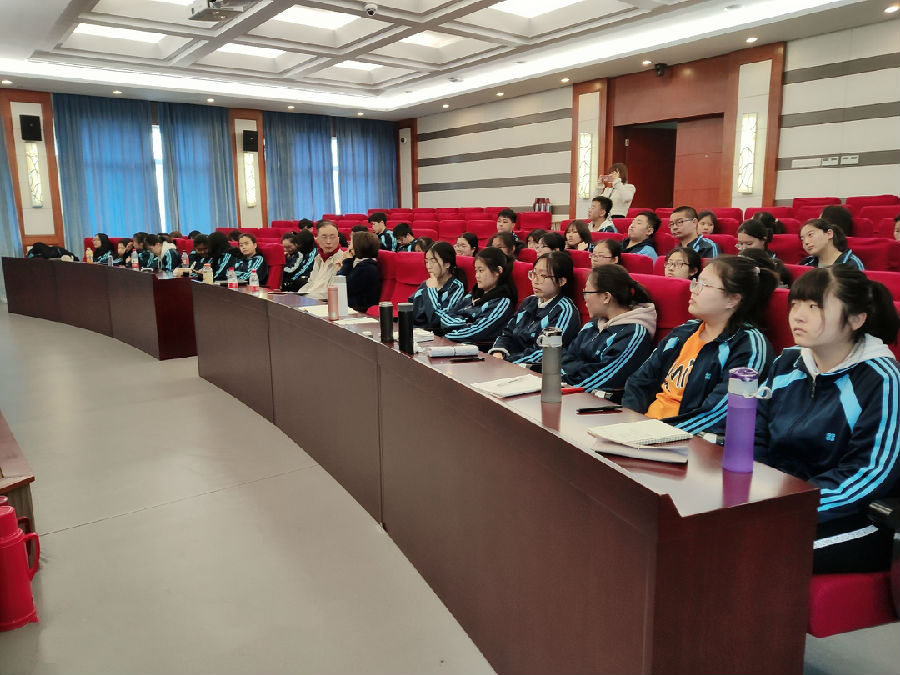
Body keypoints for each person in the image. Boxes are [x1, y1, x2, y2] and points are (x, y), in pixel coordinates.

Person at [754, 266, 900, 574]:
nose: (798, 316)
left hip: (853, 514)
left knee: (747, 549)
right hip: (779, 500)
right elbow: (755, 435)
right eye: (796, 304)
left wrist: (786, 506)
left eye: (815, 306)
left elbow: (869, 474)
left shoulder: (881, 380)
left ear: (856, 319)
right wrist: (749, 494)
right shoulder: (787, 362)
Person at [623, 255, 777, 435]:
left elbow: (720, 413)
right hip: (643, 430)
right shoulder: (684, 331)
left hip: (684, 439)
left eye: (705, 285)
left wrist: (653, 434)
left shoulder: (748, 346)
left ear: (732, 300)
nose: (694, 290)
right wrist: (629, 421)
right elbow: (639, 381)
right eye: (696, 282)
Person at [561, 265, 657, 395]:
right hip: (567, 390)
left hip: (594, 402)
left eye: (587, 292)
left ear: (606, 297)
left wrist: (565, 377)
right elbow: (565, 357)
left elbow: (600, 380)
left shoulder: (634, 334)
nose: (584, 298)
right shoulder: (593, 324)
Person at [489, 251, 579, 364]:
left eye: (543, 276)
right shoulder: (529, 301)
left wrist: (508, 362)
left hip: (532, 368)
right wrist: (498, 352)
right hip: (508, 363)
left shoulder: (564, 311)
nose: (535, 281)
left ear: (561, 281)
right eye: (534, 274)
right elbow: (507, 333)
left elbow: (546, 352)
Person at [430, 247, 517, 348]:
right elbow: (445, 317)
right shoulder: (473, 294)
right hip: (452, 344)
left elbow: (474, 332)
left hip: (473, 351)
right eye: (476, 271)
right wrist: (466, 322)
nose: (476, 276)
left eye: (481, 271)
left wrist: (447, 335)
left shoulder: (501, 303)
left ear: (498, 271)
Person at [410, 241, 467, 331]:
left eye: (433, 261)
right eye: (426, 261)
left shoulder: (456, 287)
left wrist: (431, 291)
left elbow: (439, 321)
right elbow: (411, 310)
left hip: (434, 334)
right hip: (416, 330)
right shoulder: (426, 284)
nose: (428, 266)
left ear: (447, 264)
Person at [298, 221, 346, 299]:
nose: (328, 242)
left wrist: (306, 298)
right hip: (311, 300)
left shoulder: (343, 261)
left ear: (338, 239)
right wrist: (298, 296)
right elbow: (311, 283)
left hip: (327, 302)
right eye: (324, 237)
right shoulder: (318, 258)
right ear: (317, 240)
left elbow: (330, 293)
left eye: (332, 237)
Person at [337, 231, 381, 312]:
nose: (348, 246)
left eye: (351, 243)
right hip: (350, 306)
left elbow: (340, 287)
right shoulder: (361, 264)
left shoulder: (366, 267)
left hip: (358, 310)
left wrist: (347, 262)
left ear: (357, 247)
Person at [799, 218, 864, 270]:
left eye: (810, 235)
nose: (806, 242)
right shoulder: (805, 264)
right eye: (802, 240)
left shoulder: (851, 263)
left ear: (829, 234)